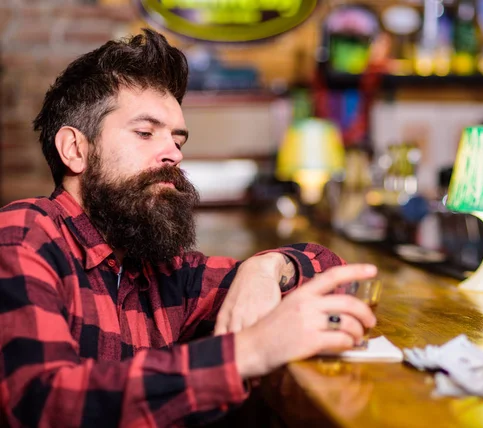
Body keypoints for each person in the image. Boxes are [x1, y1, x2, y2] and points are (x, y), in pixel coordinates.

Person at [0, 29, 377, 427]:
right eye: (145, 133)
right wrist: (248, 352)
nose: (173, 154)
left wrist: (267, 269)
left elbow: (333, 276)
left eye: (177, 140)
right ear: (75, 149)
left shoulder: (160, 267)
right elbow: (40, 403)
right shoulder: (25, 235)